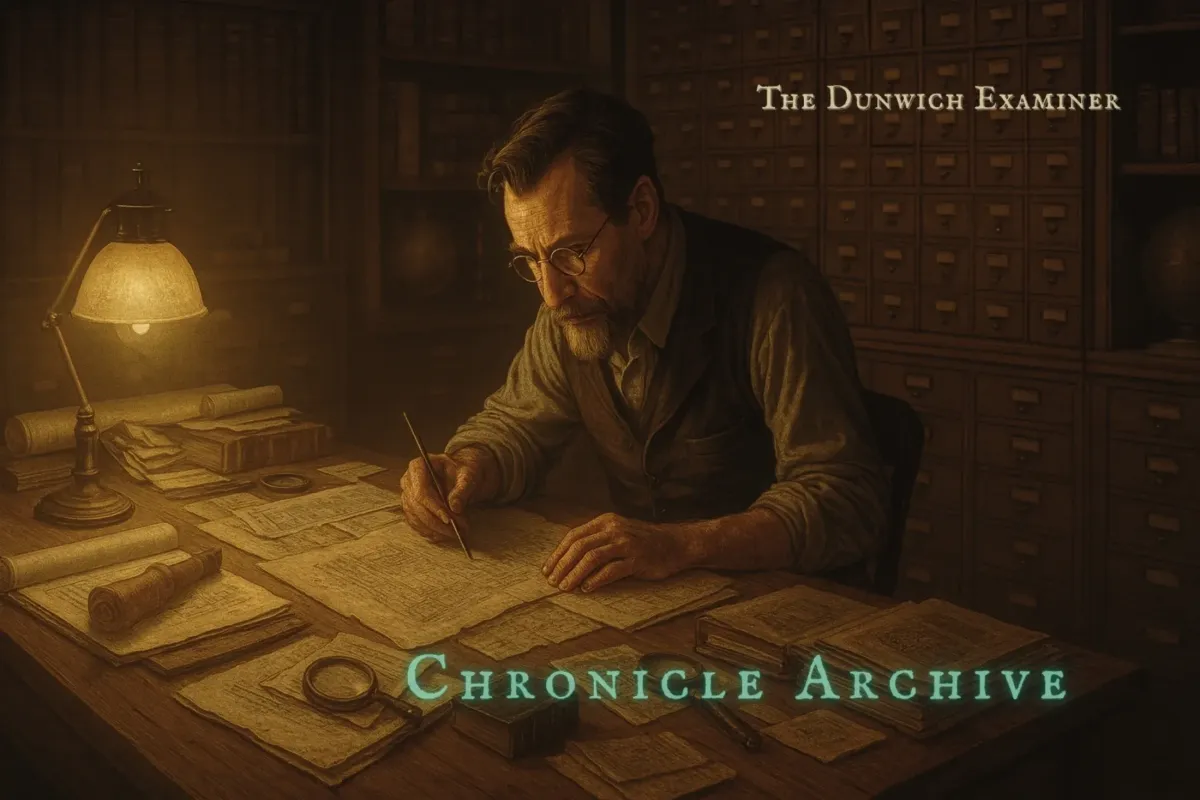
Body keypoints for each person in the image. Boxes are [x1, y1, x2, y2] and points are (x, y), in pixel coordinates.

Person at [398, 88, 889, 594]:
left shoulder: (776, 295)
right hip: (652, 609)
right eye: (529, 259)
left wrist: (681, 544)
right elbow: (516, 425)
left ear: (643, 210)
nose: (550, 295)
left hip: (784, 610)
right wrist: (467, 467)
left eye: (570, 252)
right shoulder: (572, 301)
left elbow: (846, 500)